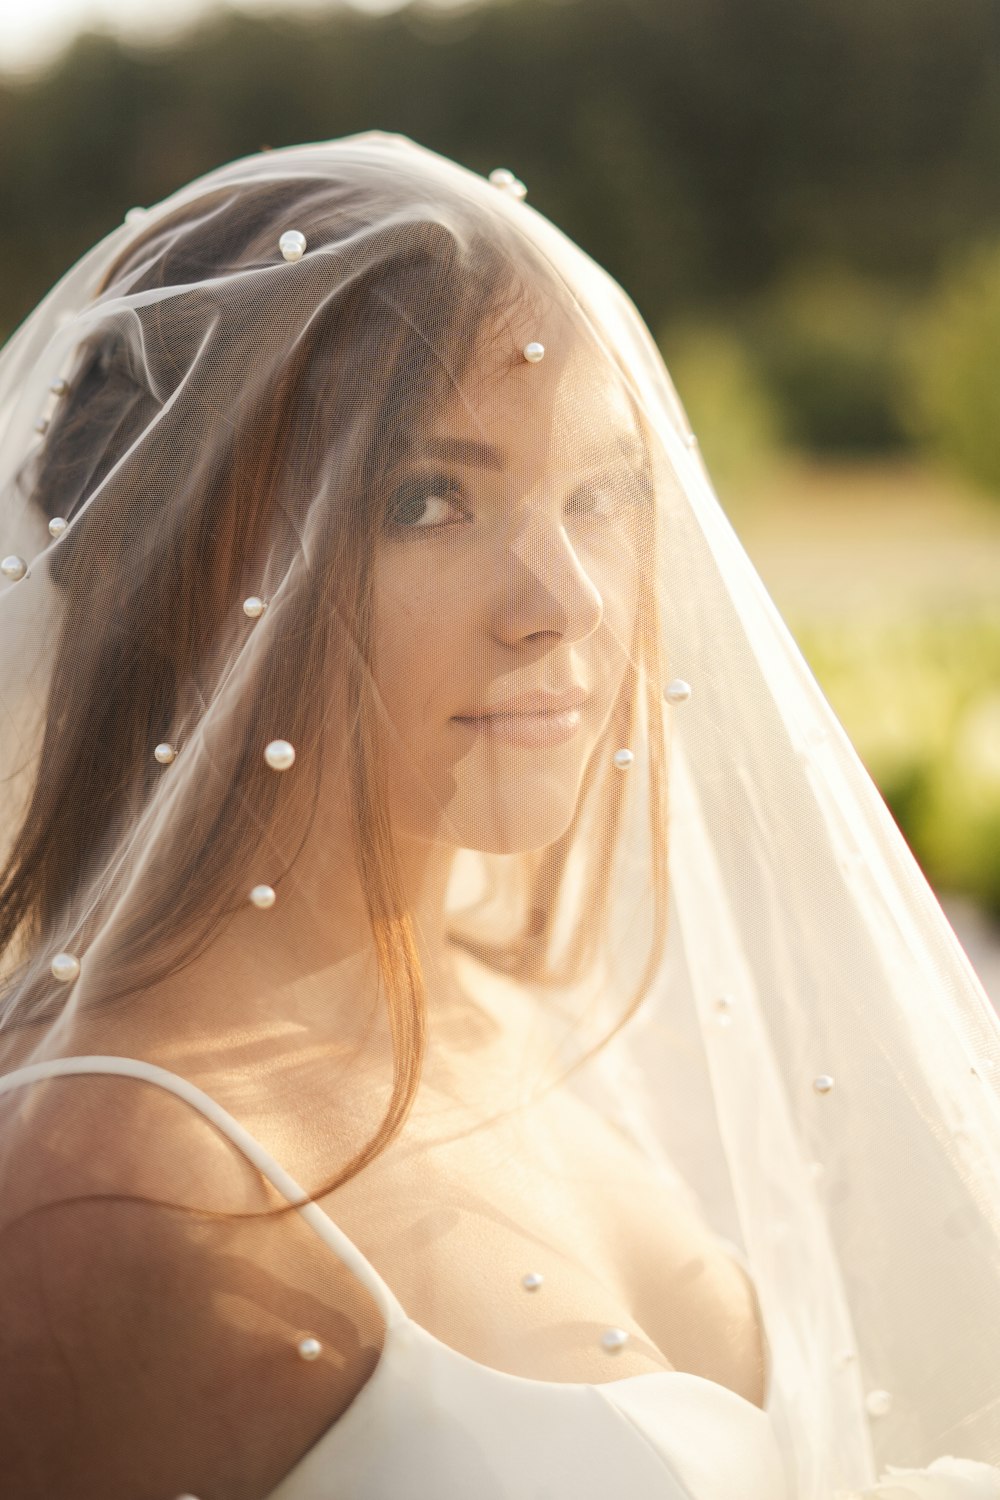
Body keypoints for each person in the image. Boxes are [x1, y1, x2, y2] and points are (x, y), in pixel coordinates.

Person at [0, 132, 998, 1500]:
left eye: (600, 495)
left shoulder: (513, 1010)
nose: (568, 600)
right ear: (180, 575)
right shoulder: (110, 1194)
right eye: (428, 500)